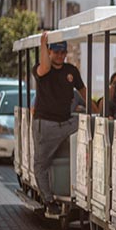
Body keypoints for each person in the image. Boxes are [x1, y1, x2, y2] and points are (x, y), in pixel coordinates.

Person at [32, 33, 88, 214]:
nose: (60, 55)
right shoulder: (40, 69)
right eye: (56, 52)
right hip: (46, 125)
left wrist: (98, 114)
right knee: (41, 164)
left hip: (65, 122)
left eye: (63, 52)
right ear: (49, 52)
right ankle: (48, 201)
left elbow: (83, 90)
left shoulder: (71, 70)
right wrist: (42, 43)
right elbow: (45, 67)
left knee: (88, 125)